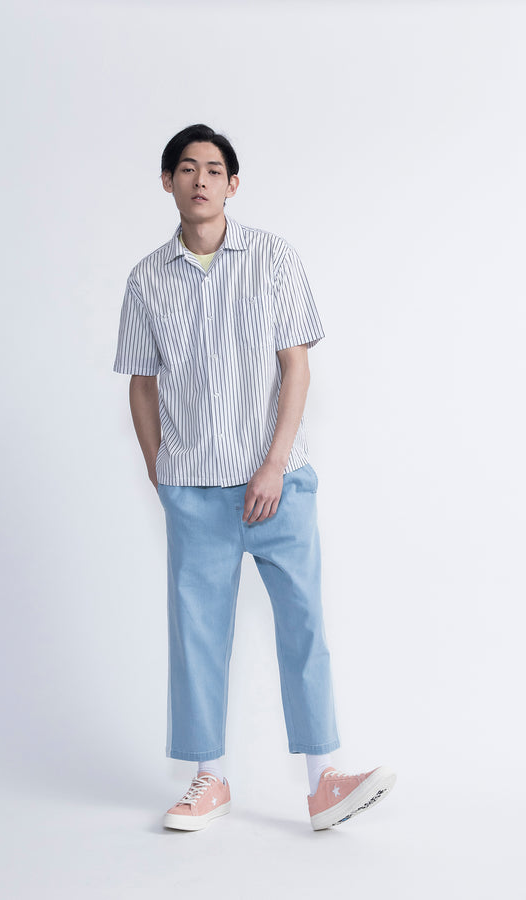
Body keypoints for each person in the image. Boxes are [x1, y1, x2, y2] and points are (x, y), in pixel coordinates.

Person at [113, 124, 396, 831]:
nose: (200, 180)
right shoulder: (146, 279)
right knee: (197, 634)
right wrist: (160, 472)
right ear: (168, 182)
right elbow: (141, 383)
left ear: (233, 184)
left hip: (279, 482)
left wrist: (273, 464)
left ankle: (323, 782)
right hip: (194, 487)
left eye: (214, 169)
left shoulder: (274, 258)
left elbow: (296, 366)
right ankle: (209, 779)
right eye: (186, 168)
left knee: (304, 623)